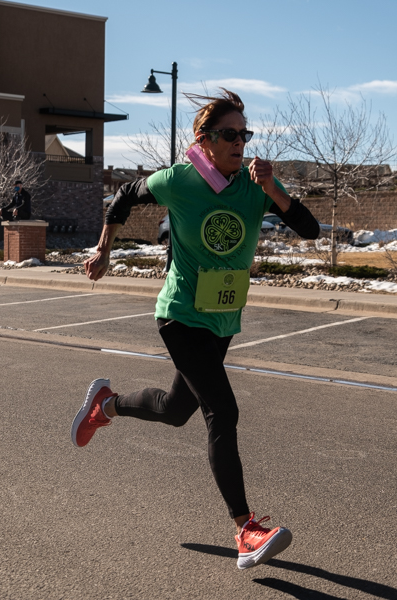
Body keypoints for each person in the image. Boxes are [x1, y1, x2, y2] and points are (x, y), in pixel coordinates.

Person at [71, 90, 319, 570]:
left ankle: (107, 405)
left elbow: (308, 229)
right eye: (230, 133)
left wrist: (274, 191)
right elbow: (122, 197)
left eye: (245, 134)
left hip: (222, 319)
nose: (240, 142)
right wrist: (103, 249)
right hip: (180, 315)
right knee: (221, 411)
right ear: (204, 140)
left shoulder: (256, 183)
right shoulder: (180, 179)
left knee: (175, 410)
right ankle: (247, 528)